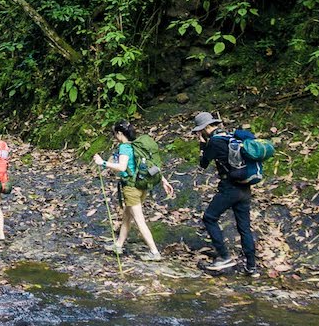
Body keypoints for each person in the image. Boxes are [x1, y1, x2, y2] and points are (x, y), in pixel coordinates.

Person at [91, 121, 174, 260]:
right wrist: (163, 180)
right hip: (141, 187)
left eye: (115, 134)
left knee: (139, 220)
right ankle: (118, 245)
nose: (114, 136)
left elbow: (122, 167)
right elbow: (151, 165)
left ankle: (154, 252)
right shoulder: (136, 145)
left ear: (119, 133)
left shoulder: (124, 148)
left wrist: (102, 163)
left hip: (131, 188)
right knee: (127, 217)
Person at [190, 111, 259, 276]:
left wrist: (202, 145)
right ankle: (251, 267)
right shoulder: (230, 137)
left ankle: (224, 256)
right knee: (244, 228)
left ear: (206, 128)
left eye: (200, 130)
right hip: (245, 187)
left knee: (209, 217)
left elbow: (203, 164)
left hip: (230, 188)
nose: (199, 133)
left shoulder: (214, 142)